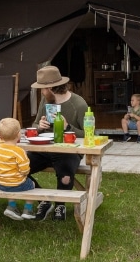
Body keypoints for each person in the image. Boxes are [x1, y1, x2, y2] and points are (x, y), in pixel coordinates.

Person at [28, 65, 88, 222]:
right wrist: (39, 127)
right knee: (18, 167)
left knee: (66, 175)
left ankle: (60, 205)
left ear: (50, 88)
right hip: (45, 149)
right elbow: (34, 126)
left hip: (69, 150)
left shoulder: (79, 104)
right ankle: (43, 200)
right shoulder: (45, 101)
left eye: (43, 89)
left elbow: (89, 135)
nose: (41, 92)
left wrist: (68, 127)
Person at [0, 117, 38, 220]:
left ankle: (12, 206)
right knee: (32, 184)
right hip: (17, 184)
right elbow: (25, 169)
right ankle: (28, 210)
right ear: (18, 135)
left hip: (1, 184)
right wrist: (24, 174)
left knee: (10, 183)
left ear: (0, 135)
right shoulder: (19, 151)